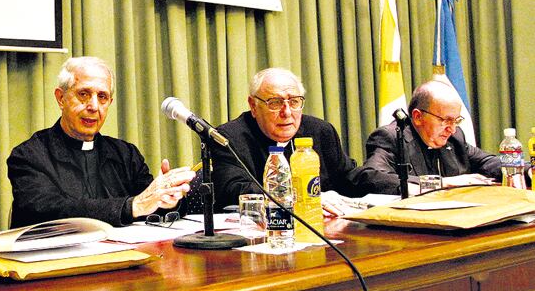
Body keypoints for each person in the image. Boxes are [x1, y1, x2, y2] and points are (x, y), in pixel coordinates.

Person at [7, 57, 196, 228]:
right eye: (83, 94)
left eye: (102, 97)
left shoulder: (125, 154)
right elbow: (48, 211)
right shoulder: (29, 155)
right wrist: (131, 206)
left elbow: (147, 202)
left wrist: (167, 199)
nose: (94, 106)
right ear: (61, 98)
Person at [210, 68, 365, 214]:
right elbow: (233, 191)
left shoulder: (320, 131)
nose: (287, 112)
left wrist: (387, 187)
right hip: (258, 233)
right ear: (253, 106)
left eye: (294, 102)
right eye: (275, 103)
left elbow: (349, 177)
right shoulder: (228, 138)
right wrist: (306, 197)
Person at [358, 79, 501, 194]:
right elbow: (372, 178)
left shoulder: (454, 138)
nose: (451, 129)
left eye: (456, 121)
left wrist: (522, 170)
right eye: (445, 120)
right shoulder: (391, 137)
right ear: (418, 117)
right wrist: (441, 183)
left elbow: (488, 161)